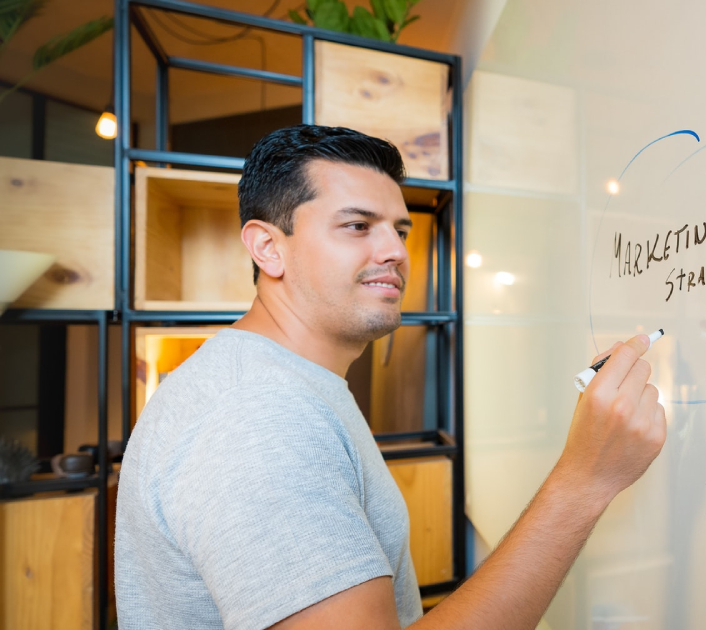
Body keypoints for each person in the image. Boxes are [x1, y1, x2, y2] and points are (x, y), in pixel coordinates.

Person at [114, 124, 666, 630]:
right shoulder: (257, 418)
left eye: (400, 230)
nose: (396, 251)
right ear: (267, 247)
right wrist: (584, 480)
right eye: (358, 226)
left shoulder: (280, 384)